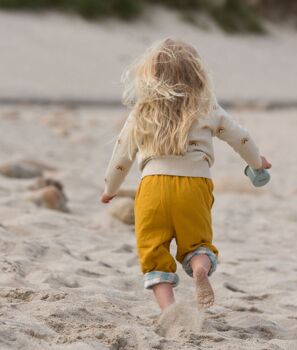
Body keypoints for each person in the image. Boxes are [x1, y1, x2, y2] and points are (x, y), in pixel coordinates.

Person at [101, 38, 272, 311]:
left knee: (153, 250)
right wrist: (257, 163)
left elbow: (122, 156)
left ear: (150, 76)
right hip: (195, 185)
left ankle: (169, 310)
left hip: (152, 187)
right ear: (197, 73)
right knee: (197, 243)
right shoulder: (207, 108)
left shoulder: (142, 111)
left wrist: (111, 188)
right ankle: (199, 266)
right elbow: (241, 138)